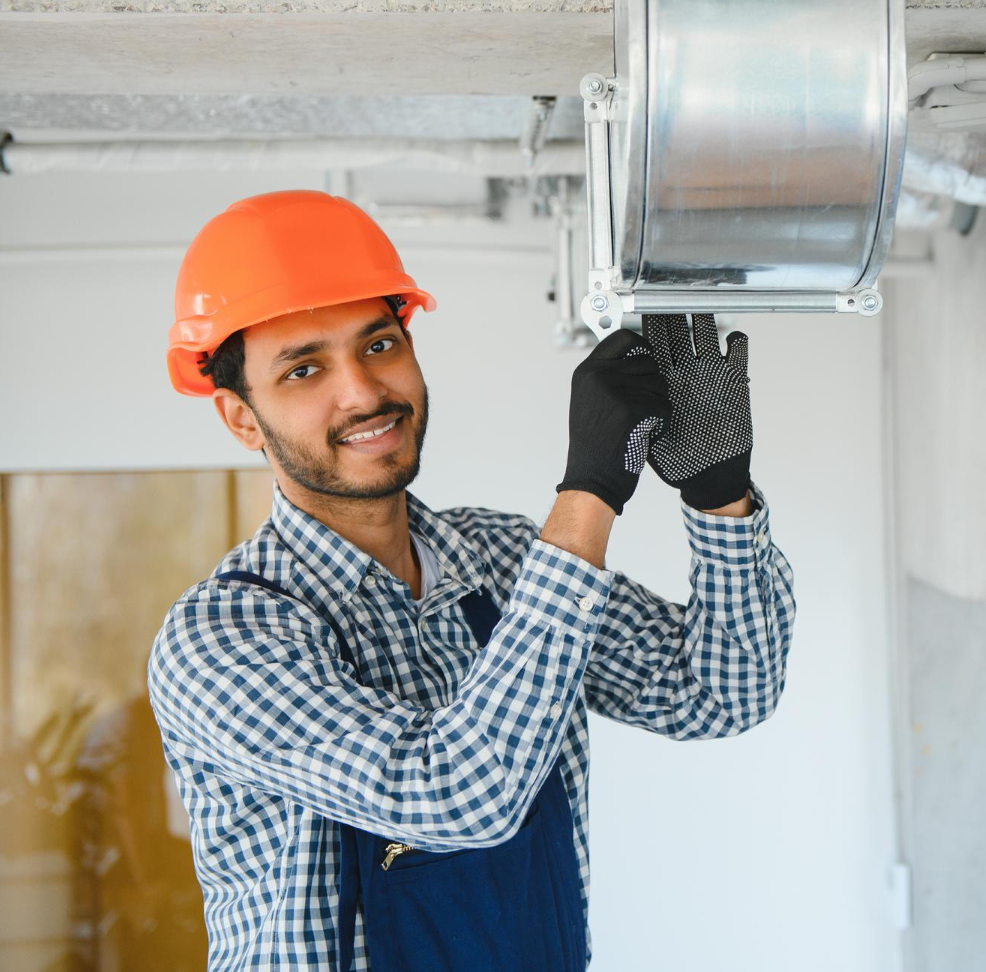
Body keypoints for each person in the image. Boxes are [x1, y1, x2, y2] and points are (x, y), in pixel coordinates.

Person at [146, 189, 797, 972]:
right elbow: (456, 793)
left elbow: (721, 693)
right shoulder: (221, 639)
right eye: (304, 369)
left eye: (379, 345)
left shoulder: (504, 558)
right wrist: (589, 492)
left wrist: (717, 493)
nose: (361, 391)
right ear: (242, 418)